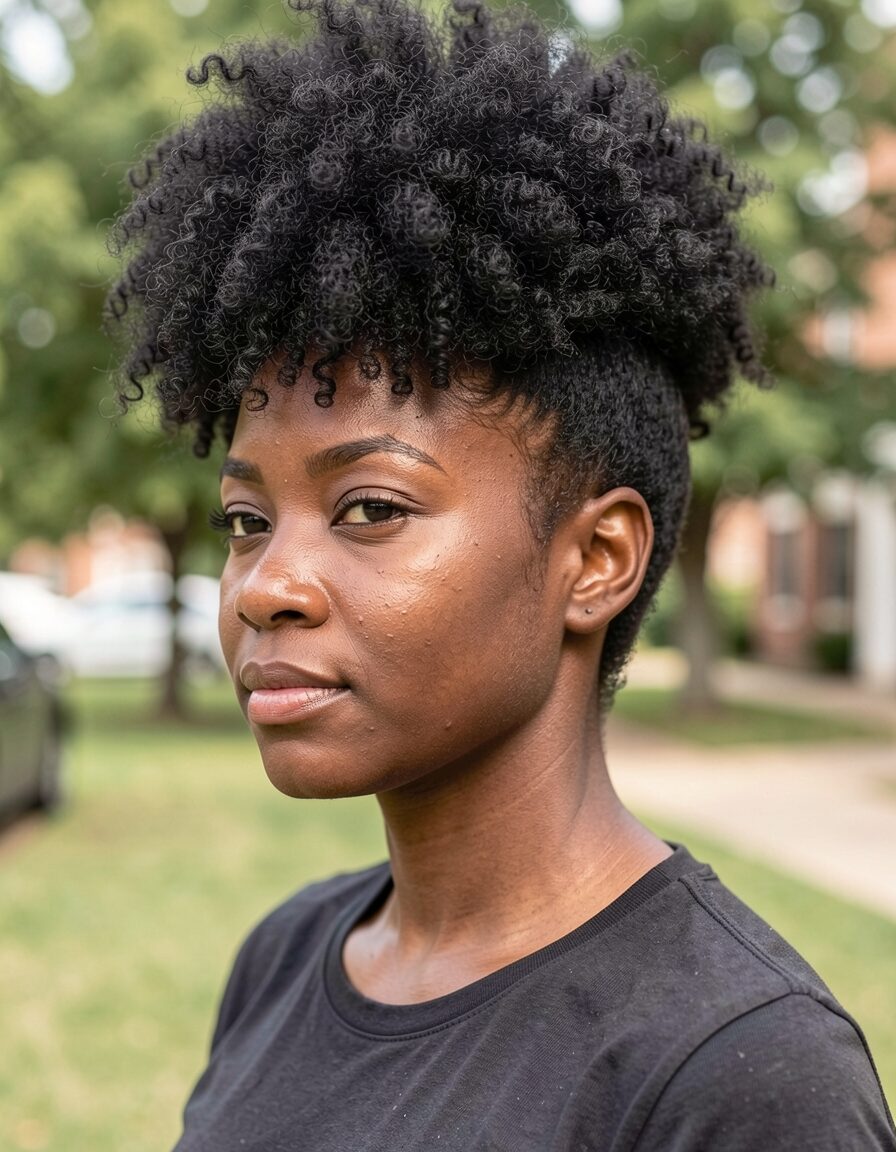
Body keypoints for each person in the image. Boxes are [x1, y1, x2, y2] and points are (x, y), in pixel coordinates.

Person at [107, 0, 896, 1147]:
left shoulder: (738, 1074)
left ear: (595, 559)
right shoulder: (283, 958)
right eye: (244, 519)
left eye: (369, 507)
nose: (264, 587)